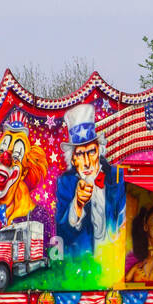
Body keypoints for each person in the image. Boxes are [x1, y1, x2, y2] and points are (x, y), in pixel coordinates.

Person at [55, 104, 125, 257]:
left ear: (99, 151)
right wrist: (77, 205)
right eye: (80, 154)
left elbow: (124, 220)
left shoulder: (117, 176)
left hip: (113, 264)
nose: (86, 162)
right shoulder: (65, 184)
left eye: (91, 152)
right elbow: (61, 232)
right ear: (73, 159)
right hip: (83, 268)